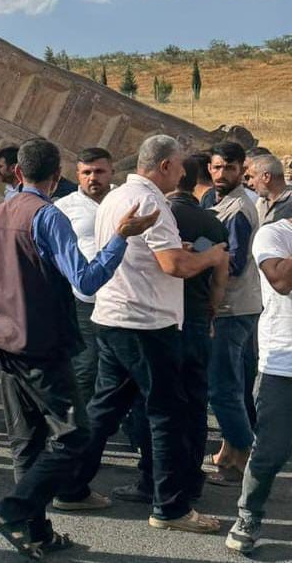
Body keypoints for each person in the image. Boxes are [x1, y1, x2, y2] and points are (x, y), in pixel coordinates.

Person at [0, 138, 156, 557]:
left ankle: (36, 533)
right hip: (42, 345)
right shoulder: (47, 216)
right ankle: (13, 511)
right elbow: (85, 281)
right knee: (74, 435)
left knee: (27, 442)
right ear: (57, 177)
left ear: (17, 172)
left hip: (8, 346)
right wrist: (120, 237)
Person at [69, 134, 227, 534]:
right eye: (178, 165)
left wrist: (180, 248)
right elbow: (174, 265)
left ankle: (71, 486)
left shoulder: (115, 197)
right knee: (166, 413)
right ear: (163, 167)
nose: (183, 172)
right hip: (145, 323)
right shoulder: (152, 201)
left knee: (104, 410)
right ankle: (170, 508)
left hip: (114, 316)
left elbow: (148, 253)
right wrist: (210, 256)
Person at [114, 154, 228, 507]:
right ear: (195, 182)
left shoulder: (155, 214)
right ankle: (191, 478)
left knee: (154, 403)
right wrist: (212, 309)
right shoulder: (213, 223)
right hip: (196, 318)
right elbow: (222, 275)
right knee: (194, 402)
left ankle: (151, 478)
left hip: (160, 318)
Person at [224, 217, 292, 553]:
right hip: (283, 365)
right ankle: (248, 516)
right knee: (270, 450)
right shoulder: (274, 234)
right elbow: (281, 280)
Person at [204, 141, 264, 485]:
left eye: (228, 168)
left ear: (242, 169)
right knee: (230, 383)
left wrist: (202, 257)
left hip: (231, 308)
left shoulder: (239, 207)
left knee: (223, 387)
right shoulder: (217, 201)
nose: (221, 174)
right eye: (216, 167)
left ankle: (243, 455)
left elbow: (236, 264)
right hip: (229, 307)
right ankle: (229, 451)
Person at [53, 147, 114, 408]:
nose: (93, 178)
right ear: (77, 175)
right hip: (82, 300)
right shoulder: (63, 208)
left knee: (118, 367)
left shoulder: (123, 201)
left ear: (111, 172)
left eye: (99, 171)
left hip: (120, 299)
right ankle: (77, 426)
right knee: (85, 365)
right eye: (86, 172)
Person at [249, 153, 292, 224]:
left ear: (266, 177)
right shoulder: (262, 202)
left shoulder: (289, 202)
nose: (250, 183)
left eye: (252, 177)